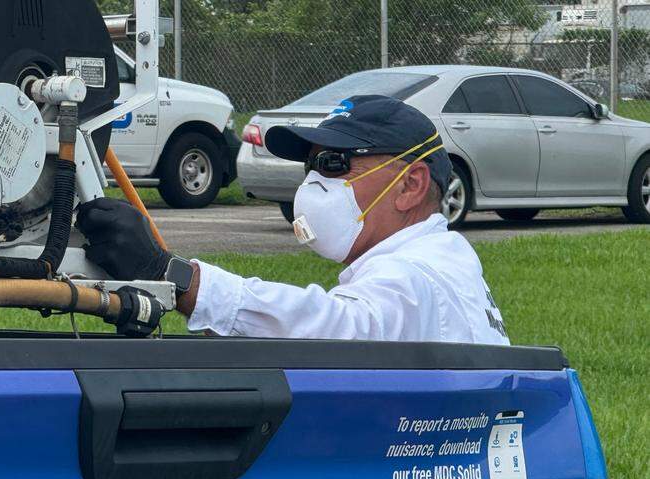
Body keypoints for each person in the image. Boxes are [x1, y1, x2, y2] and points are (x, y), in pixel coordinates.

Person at [78, 94, 510, 345]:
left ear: (410, 186)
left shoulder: (415, 277)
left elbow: (333, 333)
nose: (315, 182)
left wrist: (174, 278)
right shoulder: (444, 259)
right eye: (312, 166)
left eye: (335, 163)